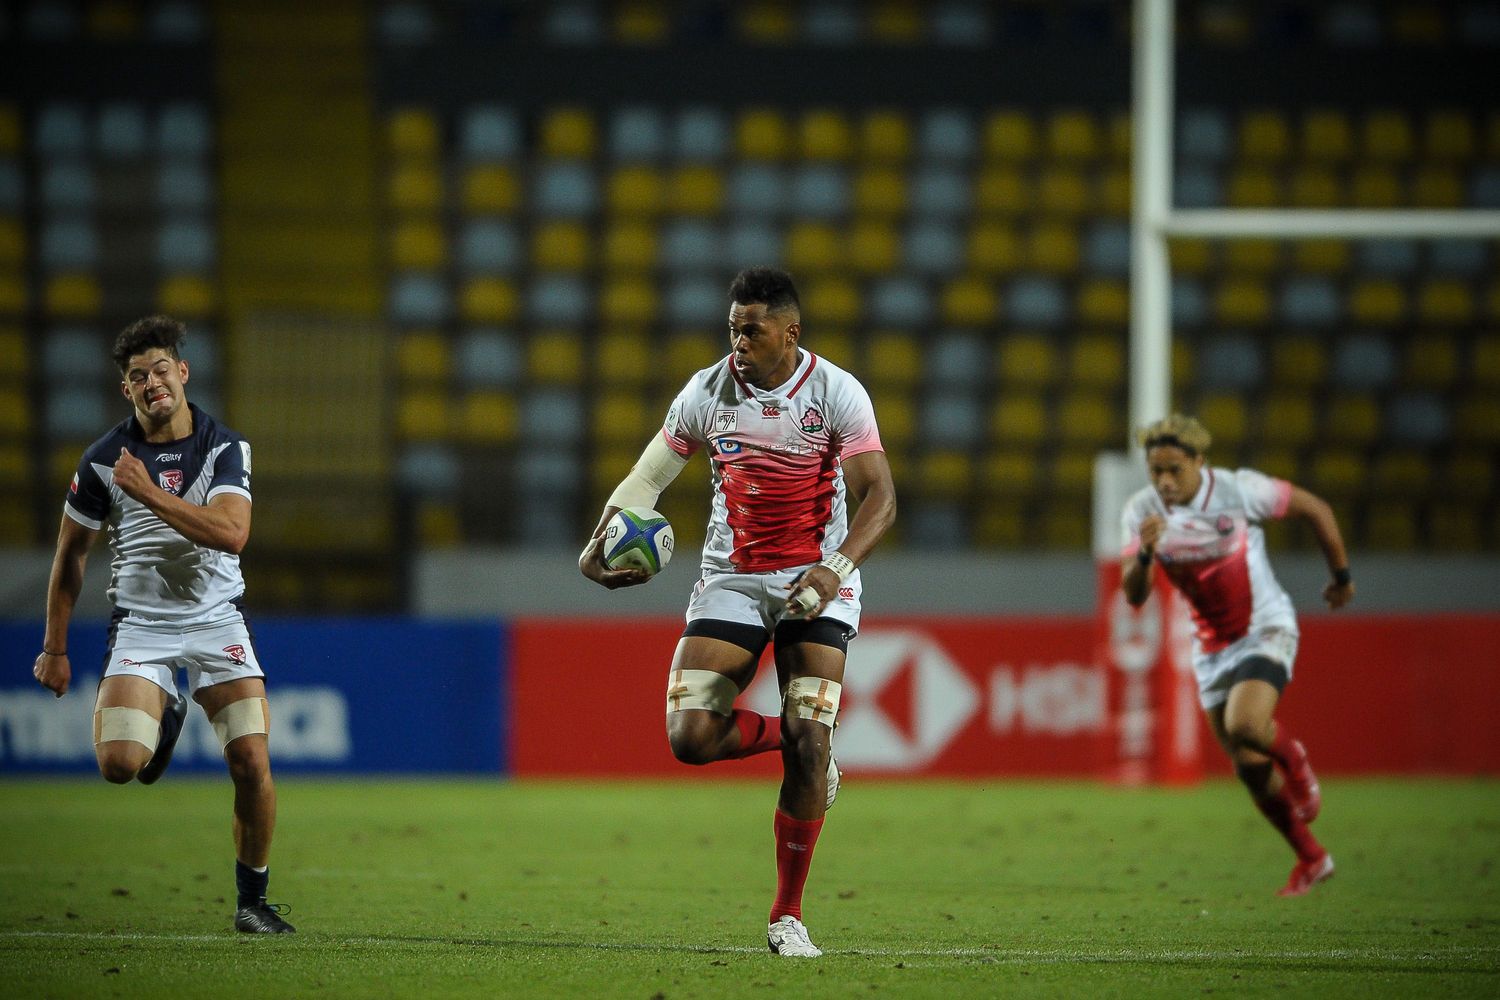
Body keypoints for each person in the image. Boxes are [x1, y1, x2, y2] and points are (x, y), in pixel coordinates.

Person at [580, 267, 896, 957]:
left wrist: (834, 568)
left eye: (752, 330)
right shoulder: (706, 391)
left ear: (790, 331)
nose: (739, 342)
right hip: (733, 578)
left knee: (811, 743)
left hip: (820, 580)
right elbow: (646, 481)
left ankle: (787, 917)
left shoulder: (836, 393)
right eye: (732, 328)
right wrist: (594, 546)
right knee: (690, 738)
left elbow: (880, 499)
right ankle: (798, 735)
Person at [32, 315, 294, 934]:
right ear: (126, 391)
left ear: (182, 372)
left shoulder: (225, 447)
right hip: (142, 623)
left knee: (252, 762)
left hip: (215, 619)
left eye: (159, 370)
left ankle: (251, 903)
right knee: (120, 764)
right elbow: (70, 556)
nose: (151, 383)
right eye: (136, 376)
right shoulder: (102, 460)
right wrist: (54, 647)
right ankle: (166, 713)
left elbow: (232, 535)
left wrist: (148, 492)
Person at [1120, 414, 1353, 897]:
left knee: (1247, 724)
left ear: (1199, 463)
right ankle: (1312, 858)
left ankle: (1299, 764)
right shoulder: (1142, 510)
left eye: (1174, 470)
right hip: (1210, 650)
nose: (1163, 481)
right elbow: (1135, 595)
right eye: (1155, 470)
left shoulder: (1238, 490)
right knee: (1247, 766)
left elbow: (1315, 508)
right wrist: (1144, 554)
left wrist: (1342, 577)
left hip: (1264, 627)